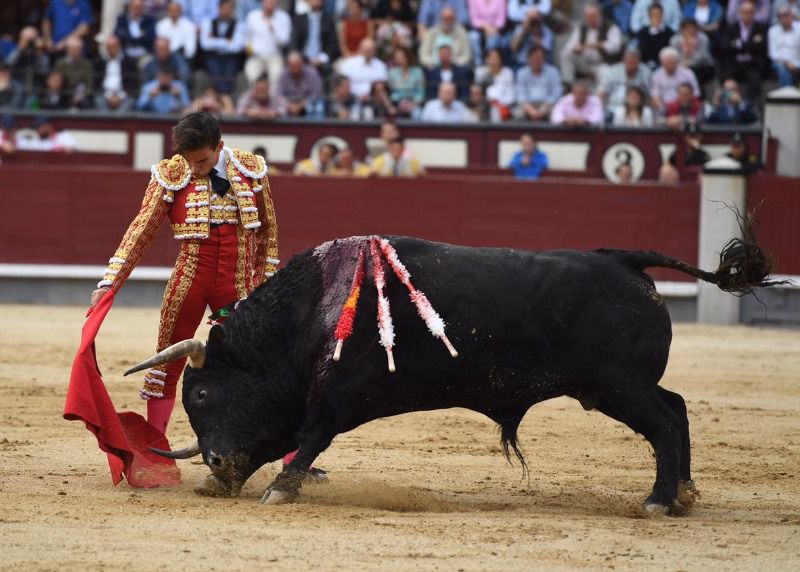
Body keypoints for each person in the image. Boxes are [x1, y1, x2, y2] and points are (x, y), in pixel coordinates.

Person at [89, 111, 278, 441]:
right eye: (189, 161)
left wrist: (266, 286)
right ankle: (154, 451)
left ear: (219, 146)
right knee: (166, 365)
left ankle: (288, 457)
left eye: (202, 161)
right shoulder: (170, 174)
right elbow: (140, 232)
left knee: (258, 366)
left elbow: (267, 233)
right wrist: (110, 281)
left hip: (236, 288)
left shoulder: (251, 169)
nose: (194, 169)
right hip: (190, 281)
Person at [559, 3, 622, 87]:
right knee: (565, 55)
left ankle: (600, 95)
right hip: (584, 63)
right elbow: (568, 48)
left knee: (606, 73)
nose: (590, 20)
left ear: (600, 15)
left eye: (593, 16)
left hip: (602, 63)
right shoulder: (581, 28)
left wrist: (599, 45)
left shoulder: (611, 27)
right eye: (588, 17)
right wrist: (576, 49)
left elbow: (616, 47)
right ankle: (568, 84)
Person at [720, 1, 769, 99]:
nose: (747, 15)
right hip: (734, 63)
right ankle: (730, 104)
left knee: (756, 82)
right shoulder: (731, 28)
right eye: (745, 12)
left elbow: (762, 47)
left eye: (750, 12)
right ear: (740, 13)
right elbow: (725, 47)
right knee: (726, 81)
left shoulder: (761, 28)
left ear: (754, 13)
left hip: (752, 64)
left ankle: (747, 104)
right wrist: (751, 44)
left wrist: (739, 44)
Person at [199, 0, 245, 95]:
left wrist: (214, 40)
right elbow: (205, 44)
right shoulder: (208, 22)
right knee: (215, 76)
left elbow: (237, 47)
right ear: (218, 8)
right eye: (224, 8)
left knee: (228, 77)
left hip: (231, 57)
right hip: (212, 56)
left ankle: (223, 97)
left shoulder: (239, 24)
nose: (226, 11)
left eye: (229, 8)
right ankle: (222, 98)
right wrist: (226, 42)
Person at [244, 0, 292, 86]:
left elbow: (285, 42)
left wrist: (273, 29)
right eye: (267, 2)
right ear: (262, 2)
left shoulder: (284, 17)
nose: (270, 4)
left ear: (276, 3)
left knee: (276, 78)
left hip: (274, 57)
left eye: (272, 2)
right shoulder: (252, 16)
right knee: (251, 75)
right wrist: (248, 49)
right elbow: (248, 38)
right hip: (256, 56)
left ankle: (273, 99)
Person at [290, 0, 340, 79]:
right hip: (303, 59)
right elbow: (294, 43)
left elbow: (333, 45)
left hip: (322, 61)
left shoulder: (328, 20)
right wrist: (304, 58)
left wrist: (321, 58)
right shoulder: (300, 19)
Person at [513, 46, 562, 121]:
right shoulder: (521, 73)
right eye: (534, 59)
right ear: (529, 59)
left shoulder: (553, 71)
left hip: (548, 104)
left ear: (544, 59)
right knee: (517, 114)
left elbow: (556, 93)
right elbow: (520, 94)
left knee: (556, 114)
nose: (536, 61)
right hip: (528, 104)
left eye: (539, 58)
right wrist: (531, 110)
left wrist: (543, 110)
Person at [596, 47, 651, 112]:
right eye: (628, 60)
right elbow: (602, 91)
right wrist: (597, 109)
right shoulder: (614, 70)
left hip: (638, 110)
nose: (631, 62)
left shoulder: (646, 71)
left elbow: (650, 94)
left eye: (634, 59)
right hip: (614, 108)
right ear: (623, 60)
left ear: (638, 61)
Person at [94, 35, 139, 113]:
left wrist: (120, 97)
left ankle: (119, 124)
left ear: (119, 46)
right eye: (108, 47)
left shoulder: (129, 61)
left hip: (124, 95)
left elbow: (133, 82)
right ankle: (106, 124)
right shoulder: (99, 61)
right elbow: (96, 81)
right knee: (98, 100)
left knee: (130, 101)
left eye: (113, 46)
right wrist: (109, 96)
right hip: (104, 94)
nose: (110, 49)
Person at [650, 47, 700, 114]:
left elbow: (695, 94)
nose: (669, 64)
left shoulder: (688, 73)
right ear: (661, 62)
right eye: (666, 62)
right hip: (663, 108)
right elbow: (655, 96)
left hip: (684, 107)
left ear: (677, 61)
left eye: (671, 62)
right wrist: (664, 110)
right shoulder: (656, 75)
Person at [276, 51, 323, 117]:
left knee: (316, 106)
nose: (295, 69)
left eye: (297, 66)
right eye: (293, 66)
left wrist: (301, 105)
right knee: (280, 108)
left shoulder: (312, 73)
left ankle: (312, 126)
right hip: (288, 103)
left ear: (302, 64)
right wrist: (289, 105)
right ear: (288, 65)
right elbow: (279, 94)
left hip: (307, 103)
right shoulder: (283, 74)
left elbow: (316, 94)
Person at [53, 35, 93, 109]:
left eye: (79, 49)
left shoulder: (86, 64)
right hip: (64, 93)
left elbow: (89, 83)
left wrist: (82, 94)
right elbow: (56, 80)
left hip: (81, 95)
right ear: (68, 50)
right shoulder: (61, 63)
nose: (77, 51)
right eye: (74, 49)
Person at [475, 48, 515, 121]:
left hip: (503, 106)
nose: (494, 61)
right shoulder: (480, 72)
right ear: (486, 60)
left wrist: (499, 103)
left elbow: (510, 96)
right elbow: (477, 93)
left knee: (496, 112)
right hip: (485, 105)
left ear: (500, 60)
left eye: (496, 58)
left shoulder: (508, 73)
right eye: (491, 58)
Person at [387, 46, 425, 118]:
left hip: (414, 102)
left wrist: (413, 103)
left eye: (402, 57)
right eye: (397, 57)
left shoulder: (418, 71)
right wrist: (400, 103)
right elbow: (391, 92)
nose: (400, 59)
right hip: (397, 102)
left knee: (417, 114)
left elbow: (420, 92)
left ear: (407, 57)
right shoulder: (392, 72)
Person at [467, 0, 507, 67]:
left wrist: (493, 29)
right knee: (473, 36)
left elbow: (501, 20)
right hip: (479, 29)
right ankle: (478, 64)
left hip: (495, 29)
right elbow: (474, 20)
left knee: (492, 37)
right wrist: (486, 27)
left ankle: (490, 64)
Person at [635, 3, 674, 69]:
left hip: (663, 65)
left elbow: (665, 49)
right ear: (649, 16)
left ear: (662, 15)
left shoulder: (669, 32)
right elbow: (643, 50)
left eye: (658, 15)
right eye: (653, 15)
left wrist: (658, 31)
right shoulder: (643, 32)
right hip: (646, 64)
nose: (656, 17)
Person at [768, 6, 800, 87]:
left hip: (798, 61)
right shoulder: (773, 30)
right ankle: (787, 96)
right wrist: (787, 63)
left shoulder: (799, 27)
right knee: (783, 69)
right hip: (781, 62)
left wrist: (796, 64)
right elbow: (773, 53)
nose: (783, 17)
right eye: (780, 16)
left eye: (786, 15)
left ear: (791, 15)